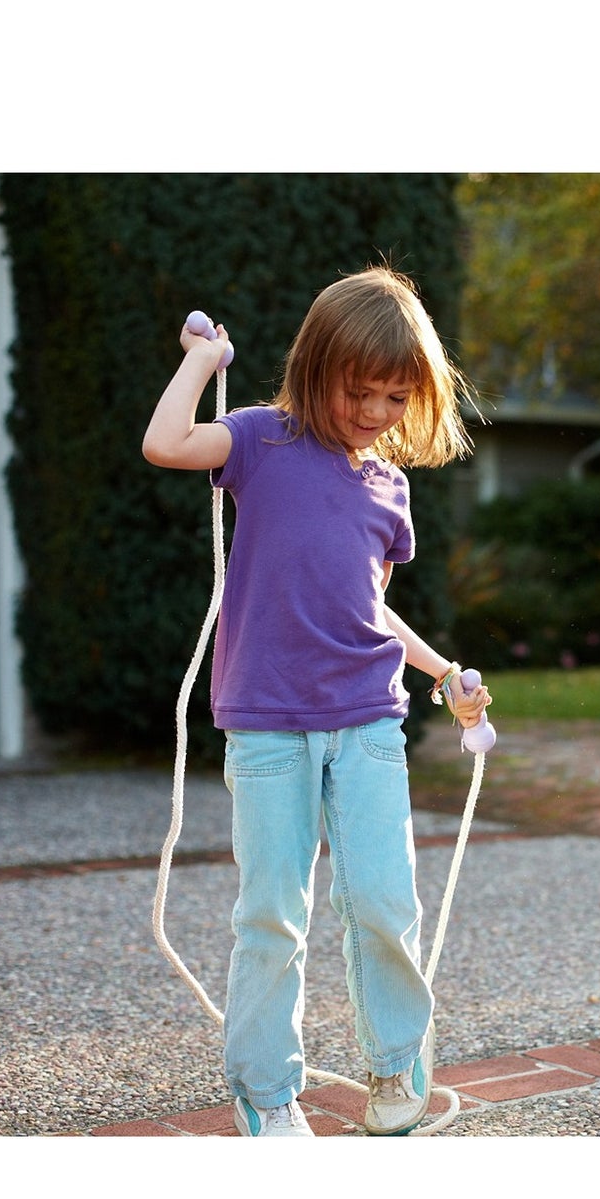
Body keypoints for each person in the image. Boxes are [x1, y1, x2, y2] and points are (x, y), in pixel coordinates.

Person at [142, 266, 492, 1136]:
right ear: (314, 367)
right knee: (272, 914)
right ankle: (266, 1094)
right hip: (267, 727)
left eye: (394, 394)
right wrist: (202, 358)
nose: (375, 410)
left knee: (380, 902)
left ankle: (395, 1062)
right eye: (358, 390)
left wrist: (443, 673)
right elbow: (165, 441)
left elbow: (366, 604)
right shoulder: (258, 440)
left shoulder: (387, 486)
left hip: (369, 723)